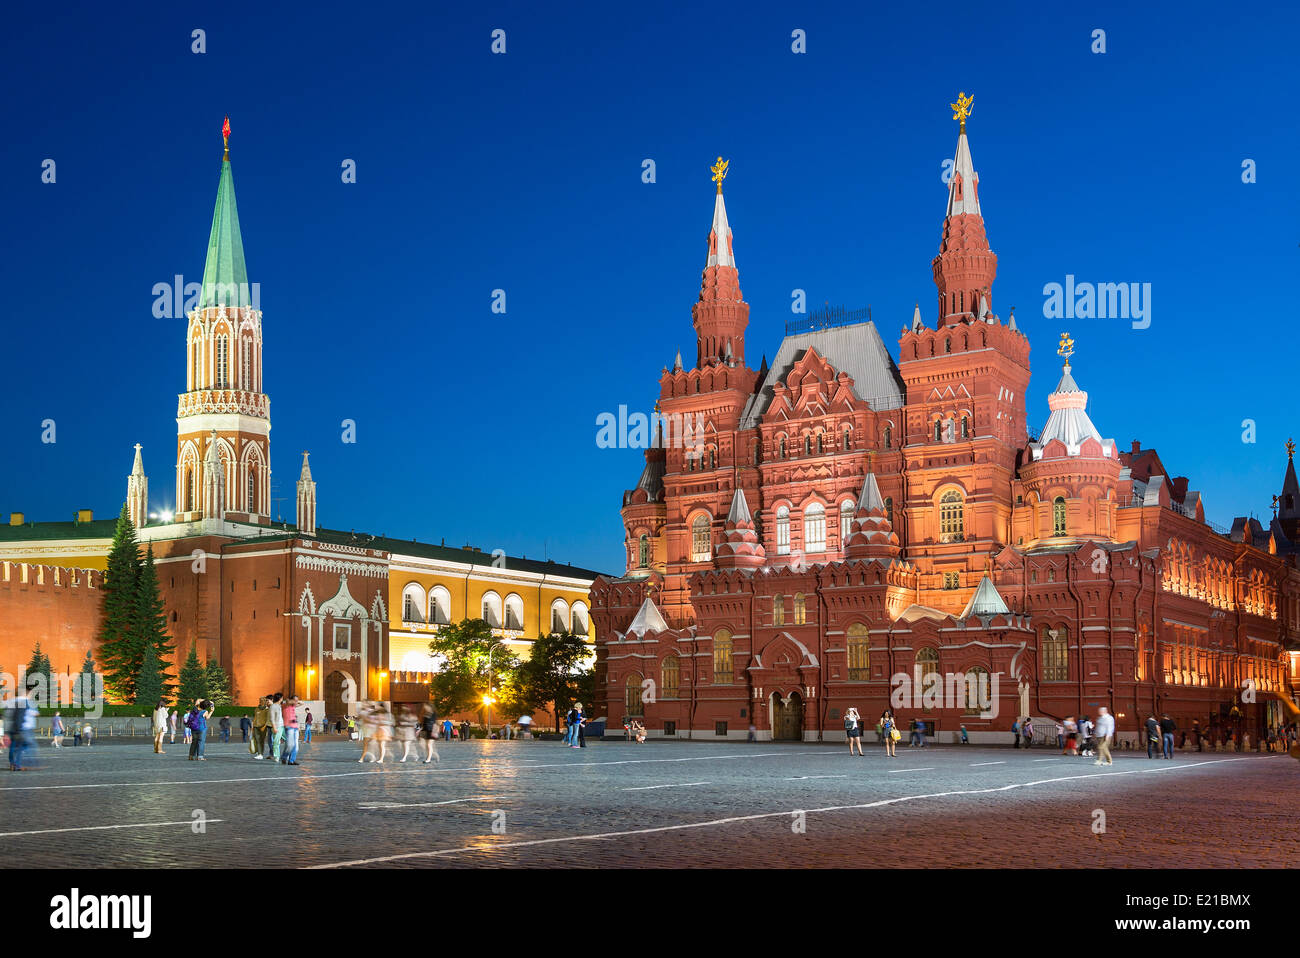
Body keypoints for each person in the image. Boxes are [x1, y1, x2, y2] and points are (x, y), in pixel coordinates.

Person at [6, 689, 37, 770]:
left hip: (11, 727)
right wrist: (19, 729)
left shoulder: (11, 701)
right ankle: (17, 765)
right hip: (19, 728)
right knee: (22, 746)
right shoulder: (23, 702)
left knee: (13, 746)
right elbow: (19, 716)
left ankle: (12, 763)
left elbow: (8, 714)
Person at [281, 695, 300, 765]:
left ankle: (291, 760)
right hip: (288, 727)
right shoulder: (284, 705)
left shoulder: (293, 706)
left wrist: (296, 701)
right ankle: (284, 757)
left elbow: (301, 703)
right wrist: (293, 701)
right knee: (290, 745)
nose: (296, 702)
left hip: (295, 727)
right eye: (295, 700)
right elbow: (287, 701)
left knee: (295, 746)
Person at [268, 692, 285, 763]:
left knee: (289, 741)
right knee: (276, 742)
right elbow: (272, 718)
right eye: (282, 698)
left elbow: (299, 704)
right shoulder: (273, 706)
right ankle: (276, 756)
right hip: (277, 726)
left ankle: (285, 755)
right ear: (280, 698)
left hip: (283, 726)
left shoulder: (281, 706)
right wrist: (274, 727)